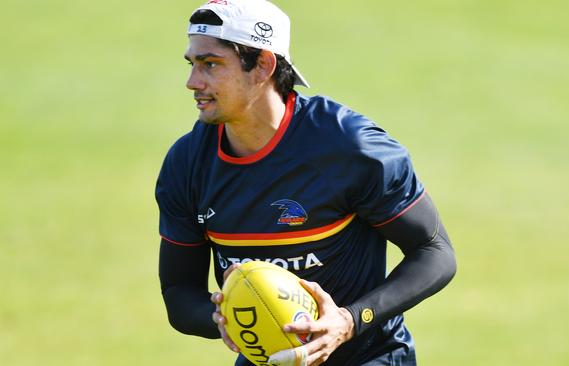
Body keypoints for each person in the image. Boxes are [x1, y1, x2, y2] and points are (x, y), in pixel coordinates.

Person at [155, 0, 457, 365]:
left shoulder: (349, 148)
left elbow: (434, 253)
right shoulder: (187, 165)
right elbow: (179, 291)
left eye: (211, 65)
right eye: (192, 64)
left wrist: (349, 320)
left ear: (263, 65)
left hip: (368, 357)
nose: (192, 82)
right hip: (265, 358)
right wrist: (223, 318)